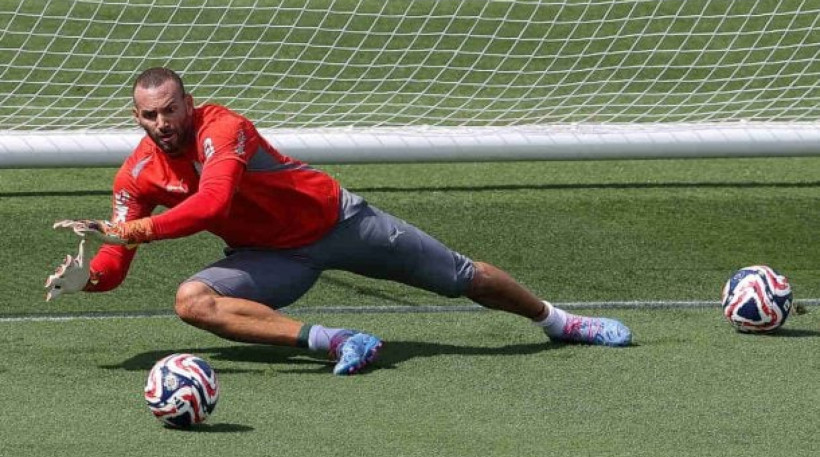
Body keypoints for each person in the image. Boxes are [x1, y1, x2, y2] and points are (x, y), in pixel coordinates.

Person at [45, 67, 631, 376]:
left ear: (189, 103)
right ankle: (340, 342)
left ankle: (561, 321)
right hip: (270, 259)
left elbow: (214, 205)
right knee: (192, 301)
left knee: (460, 275)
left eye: (171, 109)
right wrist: (90, 279)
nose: (163, 122)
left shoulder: (226, 128)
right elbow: (114, 261)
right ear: (136, 117)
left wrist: (134, 230)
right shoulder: (136, 177)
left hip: (339, 221)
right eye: (150, 115)